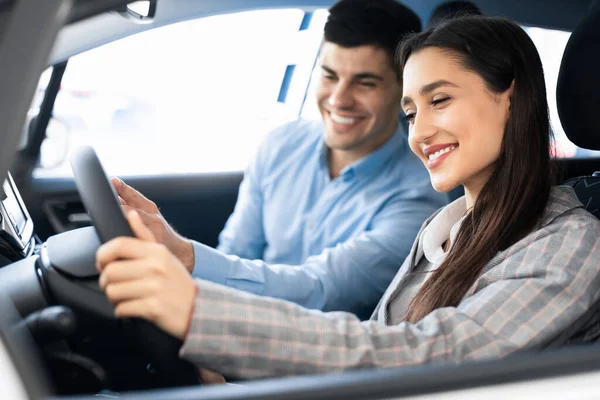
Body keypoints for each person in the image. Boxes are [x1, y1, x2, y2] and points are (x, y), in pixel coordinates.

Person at [97, 15, 600, 381]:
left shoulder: (572, 243)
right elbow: (378, 346)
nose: (419, 133)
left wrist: (198, 312)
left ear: (510, 97)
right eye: (411, 112)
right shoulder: (449, 228)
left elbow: (430, 357)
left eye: (440, 100)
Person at [111, 0, 447, 320]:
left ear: (405, 89)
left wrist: (185, 257)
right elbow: (236, 252)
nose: (339, 99)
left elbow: (319, 288)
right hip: (229, 328)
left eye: (365, 83)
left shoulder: (419, 200)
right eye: (329, 76)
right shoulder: (281, 146)